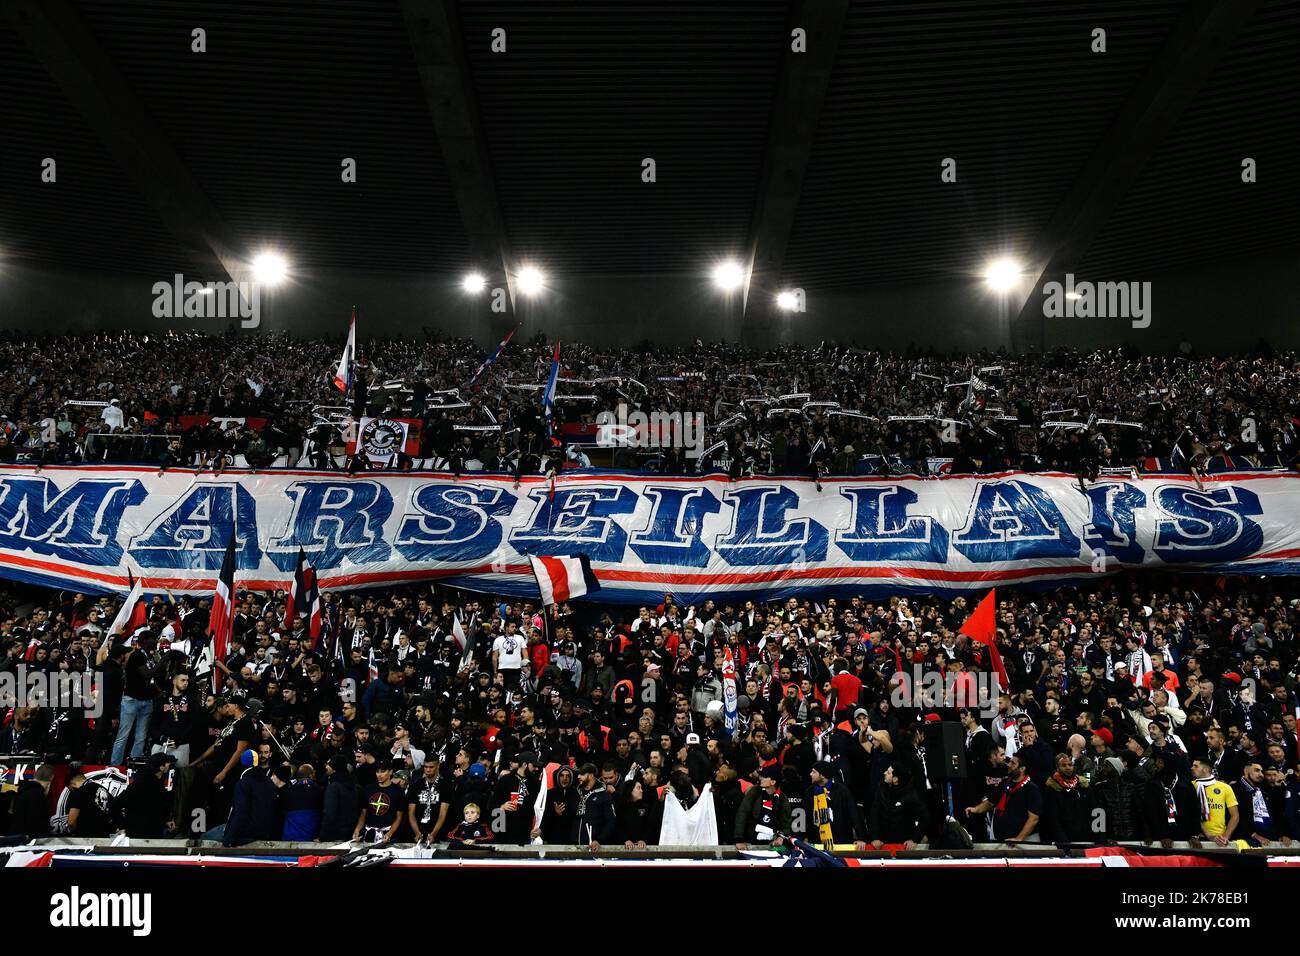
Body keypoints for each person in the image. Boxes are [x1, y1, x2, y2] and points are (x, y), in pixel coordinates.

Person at [965, 753, 1042, 843]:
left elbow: (1033, 818)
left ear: (1022, 769)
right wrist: (975, 809)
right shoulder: (1005, 783)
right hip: (1002, 839)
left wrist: (1019, 838)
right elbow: (990, 802)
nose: (1008, 765)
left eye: (1013, 763)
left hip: (1025, 842)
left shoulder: (1032, 789)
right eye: (1009, 762)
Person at [867, 764, 930, 848]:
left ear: (895, 779)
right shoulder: (881, 789)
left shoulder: (911, 795)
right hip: (883, 843)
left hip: (904, 845)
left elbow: (925, 818)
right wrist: (875, 837)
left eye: (888, 772)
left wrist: (914, 839)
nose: (885, 773)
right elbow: (874, 815)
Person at [809, 760, 867, 849]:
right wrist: (805, 836)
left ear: (823, 775)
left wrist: (861, 838)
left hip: (841, 842)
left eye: (814, 772)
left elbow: (854, 814)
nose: (810, 774)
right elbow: (807, 816)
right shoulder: (809, 792)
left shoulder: (841, 791)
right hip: (816, 842)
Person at [735, 764, 791, 848]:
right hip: (750, 841)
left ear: (773, 782)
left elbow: (785, 822)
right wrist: (739, 839)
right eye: (761, 776)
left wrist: (781, 838)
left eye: (764, 777)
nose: (761, 778)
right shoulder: (755, 792)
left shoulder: (782, 798)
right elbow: (742, 814)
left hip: (771, 843)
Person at [353, 759, 407, 844]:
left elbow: (399, 817)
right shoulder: (368, 789)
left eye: (383, 771)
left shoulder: (398, 791)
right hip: (369, 834)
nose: (379, 775)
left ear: (390, 772)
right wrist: (357, 830)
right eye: (377, 772)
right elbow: (363, 813)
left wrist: (390, 833)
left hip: (389, 835)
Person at [1191, 757, 1239, 846]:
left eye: (1196, 766)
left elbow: (1235, 816)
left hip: (1220, 837)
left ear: (1205, 769)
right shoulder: (1191, 786)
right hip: (1197, 838)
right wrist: (1209, 836)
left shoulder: (1225, 787)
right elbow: (1193, 814)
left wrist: (1225, 837)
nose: (1192, 768)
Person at [407, 758, 450, 845]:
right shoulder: (415, 786)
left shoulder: (445, 786)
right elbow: (411, 812)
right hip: (417, 832)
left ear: (438, 766)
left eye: (431, 767)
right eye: (426, 767)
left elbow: (443, 813)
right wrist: (417, 832)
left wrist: (433, 834)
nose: (428, 770)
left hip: (438, 833)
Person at [319, 754, 360, 842]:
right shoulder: (354, 786)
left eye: (328, 764)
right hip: (350, 834)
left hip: (334, 835)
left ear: (334, 768)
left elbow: (330, 814)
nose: (326, 767)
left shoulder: (334, 787)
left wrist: (323, 835)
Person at [576, 762, 617, 849]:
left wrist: (599, 840)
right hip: (574, 847)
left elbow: (611, 821)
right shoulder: (576, 794)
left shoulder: (604, 795)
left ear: (591, 775)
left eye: (582, 774)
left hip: (594, 848)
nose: (578, 777)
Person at [8, 763, 54, 837]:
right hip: (30, 841)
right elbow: (36, 824)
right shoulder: (39, 795)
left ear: (35, 775)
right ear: (51, 778)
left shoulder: (22, 791)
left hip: (16, 837)